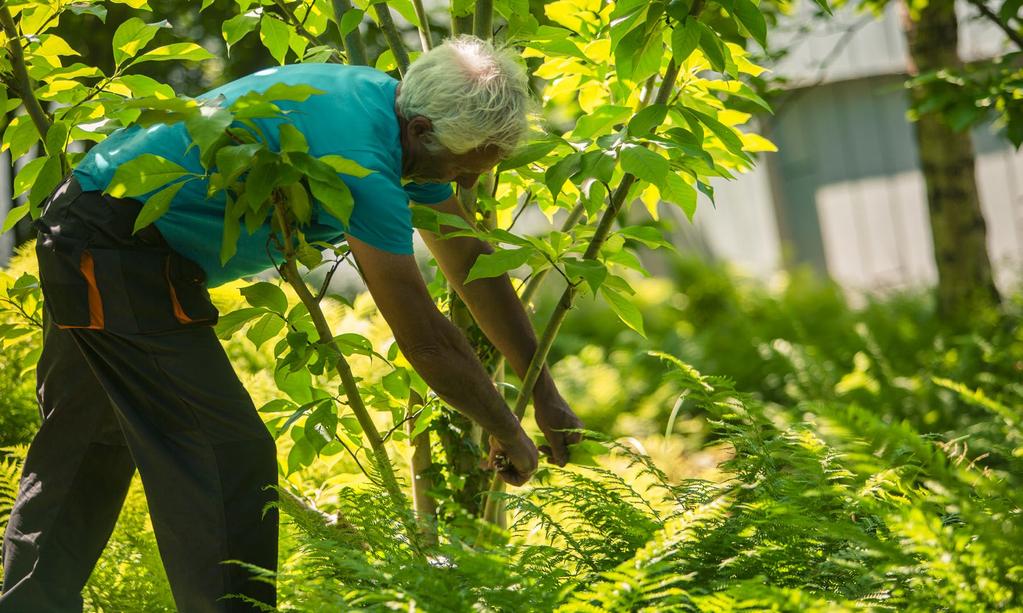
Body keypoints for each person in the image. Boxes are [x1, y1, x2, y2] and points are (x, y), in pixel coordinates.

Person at [0, 35, 584, 612]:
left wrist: (545, 393)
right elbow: (426, 339)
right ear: (423, 131)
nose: (465, 185)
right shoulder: (363, 156)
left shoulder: (396, 115)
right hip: (112, 240)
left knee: (86, 439)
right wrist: (506, 430)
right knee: (225, 453)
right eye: (464, 168)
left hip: (96, 228)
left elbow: (474, 266)